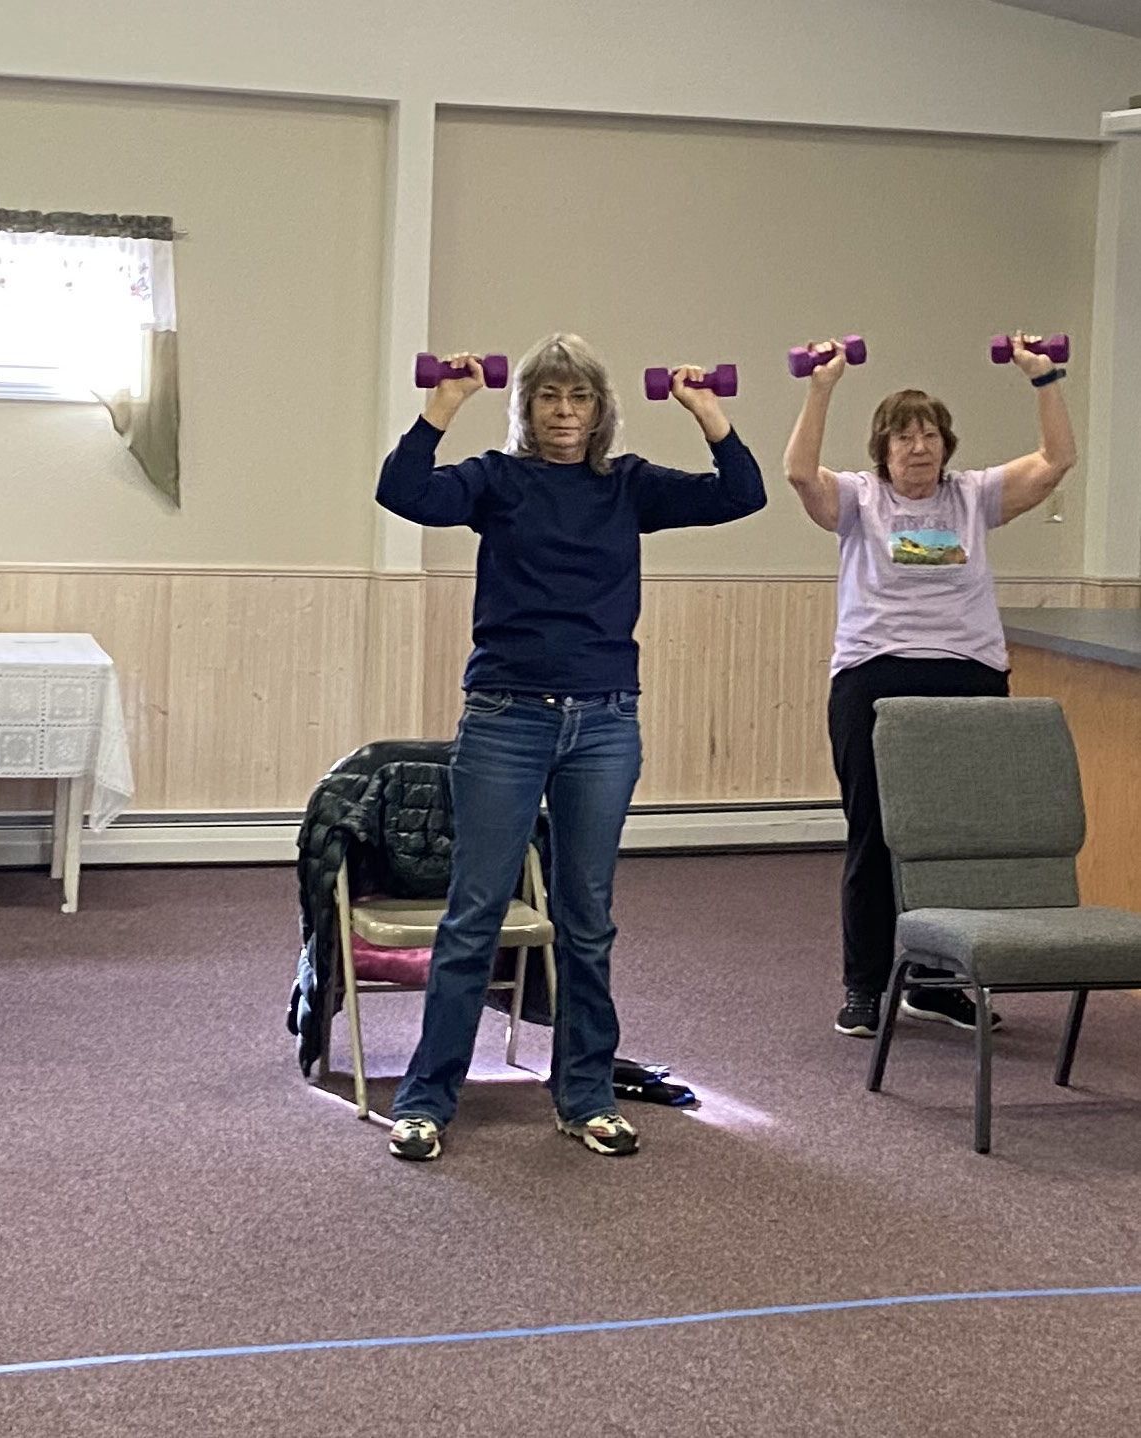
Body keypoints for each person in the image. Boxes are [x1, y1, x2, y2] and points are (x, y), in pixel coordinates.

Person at [374, 336, 767, 1162]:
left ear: (599, 410)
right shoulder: (496, 479)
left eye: (578, 399)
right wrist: (441, 407)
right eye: (548, 397)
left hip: (604, 722)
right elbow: (402, 491)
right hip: (506, 716)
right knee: (474, 912)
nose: (563, 413)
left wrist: (707, 413)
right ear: (527, 408)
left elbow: (744, 496)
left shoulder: (626, 486)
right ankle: (425, 1101)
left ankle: (584, 1094)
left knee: (586, 919)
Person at [783, 335, 1077, 1039]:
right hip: (873, 681)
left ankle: (939, 984)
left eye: (930, 435)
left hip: (969, 679)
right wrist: (821, 386)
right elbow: (799, 475)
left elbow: (1057, 460)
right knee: (876, 838)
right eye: (903, 436)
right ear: (882, 449)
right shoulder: (859, 499)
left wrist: (1044, 379)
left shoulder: (973, 497)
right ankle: (863, 985)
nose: (919, 447)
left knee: (959, 843)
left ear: (946, 445)